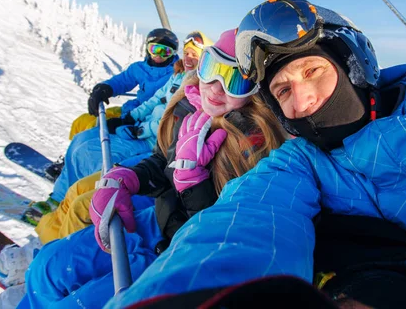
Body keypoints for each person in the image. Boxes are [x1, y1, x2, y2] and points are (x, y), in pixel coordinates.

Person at [105, 0, 406, 309]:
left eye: (313, 71)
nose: (303, 102)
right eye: (282, 89)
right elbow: (244, 226)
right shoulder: (301, 165)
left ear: (353, 64)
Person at [16, 30, 286, 308]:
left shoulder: (254, 144)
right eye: (212, 68)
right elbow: (160, 161)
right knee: (47, 268)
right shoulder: (188, 104)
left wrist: (193, 183)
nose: (216, 87)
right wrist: (129, 178)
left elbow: (226, 237)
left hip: (183, 255)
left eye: (235, 80)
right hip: (155, 221)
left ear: (255, 90)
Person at [44, 28, 181, 179]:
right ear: (147, 48)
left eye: (165, 52)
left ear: (173, 54)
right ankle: (68, 161)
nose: (159, 56)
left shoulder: (174, 74)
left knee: (96, 126)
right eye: (155, 49)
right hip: (133, 109)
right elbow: (121, 81)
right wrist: (104, 89)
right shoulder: (139, 68)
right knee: (81, 121)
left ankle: (84, 162)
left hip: (146, 117)